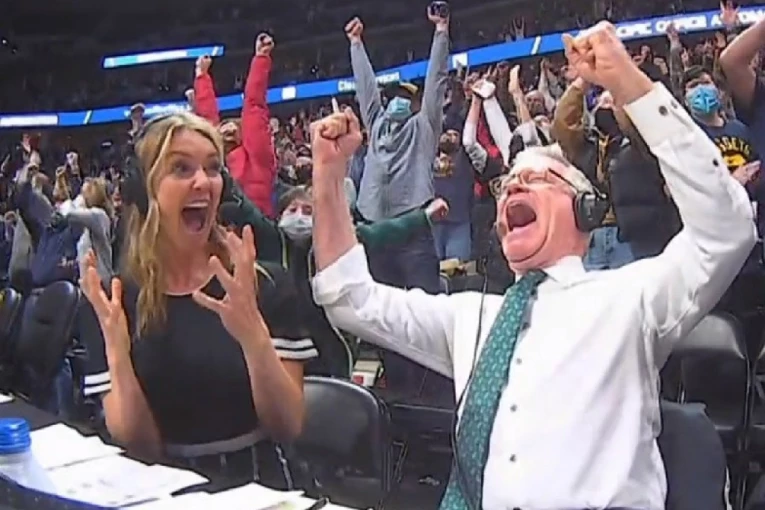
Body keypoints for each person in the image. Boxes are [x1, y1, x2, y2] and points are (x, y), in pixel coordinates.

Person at [309, 22, 755, 509]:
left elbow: (725, 230)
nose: (513, 188)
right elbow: (349, 298)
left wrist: (629, 82)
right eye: (506, 186)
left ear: (585, 209)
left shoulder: (631, 298)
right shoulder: (472, 318)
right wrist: (328, 178)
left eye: (538, 178)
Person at [79, 112, 316, 490]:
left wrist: (253, 335)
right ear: (145, 190)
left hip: (259, 487)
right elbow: (140, 447)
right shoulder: (112, 303)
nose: (204, 181)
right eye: (181, 168)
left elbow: (288, 426)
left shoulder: (262, 284)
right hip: (162, 490)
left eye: (213, 168)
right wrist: (118, 355)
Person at [344, 10, 449, 294]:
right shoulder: (376, 123)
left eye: (405, 98)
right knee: (380, 309)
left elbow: (436, 81)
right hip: (373, 228)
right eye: (393, 98)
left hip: (414, 227)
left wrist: (441, 31)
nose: (397, 102)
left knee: (424, 305)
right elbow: (366, 88)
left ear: (415, 104)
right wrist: (356, 43)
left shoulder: (424, 127)